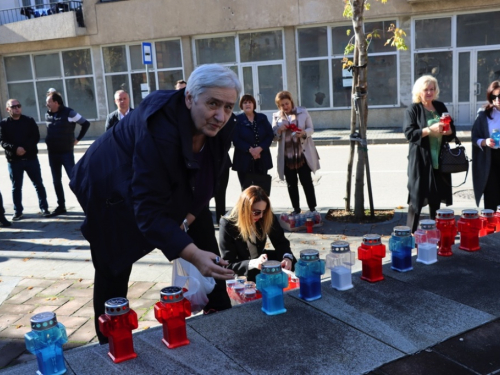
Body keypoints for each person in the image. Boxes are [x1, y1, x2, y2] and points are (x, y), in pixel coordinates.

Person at [69, 64, 240, 343]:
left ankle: (221, 313)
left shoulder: (221, 124)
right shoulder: (158, 129)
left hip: (170, 182)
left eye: (228, 107)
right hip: (109, 186)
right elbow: (148, 209)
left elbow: (211, 175)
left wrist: (190, 217)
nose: (220, 115)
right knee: (114, 262)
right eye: (212, 104)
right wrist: (191, 254)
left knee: (205, 244)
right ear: (188, 98)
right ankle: (108, 344)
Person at [404, 75, 456, 232]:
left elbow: (452, 131)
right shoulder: (413, 109)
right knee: (416, 198)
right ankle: (410, 233)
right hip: (421, 160)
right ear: (419, 91)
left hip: (439, 159)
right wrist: (429, 130)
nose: (429, 92)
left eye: (432, 89)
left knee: (436, 196)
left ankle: (435, 232)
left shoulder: (440, 107)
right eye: (426, 89)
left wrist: (448, 131)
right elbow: (409, 133)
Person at [219, 185, 296, 282]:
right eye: (256, 212)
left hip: (261, 262)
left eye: (264, 211)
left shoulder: (265, 216)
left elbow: (280, 241)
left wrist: (287, 257)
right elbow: (228, 264)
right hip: (243, 271)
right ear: (244, 209)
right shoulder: (227, 223)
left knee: (292, 261)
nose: (261, 216)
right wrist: (253, 263)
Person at [1, 99, 50, 221]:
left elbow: (35, 137)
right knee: (16, 187)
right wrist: (15, 149)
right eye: (13, 107)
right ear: (8, 109)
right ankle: (18, 211)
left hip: (30, 158)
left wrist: (25, 148)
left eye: (18, 105)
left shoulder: (29, 121)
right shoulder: (4, 124)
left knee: (38, 184)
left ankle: (44, 208)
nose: (16, 108)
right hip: (14, 161)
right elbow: (3, 141)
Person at [272, 90, 320, 215]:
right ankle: (296, 209)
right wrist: (279, 130)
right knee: (291, 184)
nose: (285, 107)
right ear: (279, 106)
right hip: (287, 157)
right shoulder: (276, 116)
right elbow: (274, 137)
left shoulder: (302, 112)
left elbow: (311, 129)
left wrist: (303, 133)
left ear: (291, 102)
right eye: (282, 105)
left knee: (306, 182)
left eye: (287, 103)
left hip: (302, 154)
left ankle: (312, 208)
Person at [45, 92, 90, 216]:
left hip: (66, 153)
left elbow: (85, 123)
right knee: (56, 181)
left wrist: (78, 139)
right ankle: (61, 206)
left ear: (56, 102)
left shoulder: (69, 113)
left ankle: (87, 205)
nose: (46, 104)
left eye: (49, 102)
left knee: (74, 180)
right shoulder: (48, 114)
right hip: (53, 154)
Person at [232, 94, 274, 190]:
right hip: (244, 160)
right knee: (247, 190)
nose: (247, 104)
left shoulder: (262, 118)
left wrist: (259, 149)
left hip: (261, 158)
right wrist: (251, 150)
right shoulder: (237, 120)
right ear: (241, 105)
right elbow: (235, 139)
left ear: (254, 104)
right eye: (245, 102)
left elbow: (269, 135)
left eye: (250, 102)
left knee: (261, 189)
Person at [472, 80, 500, 210]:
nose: (497, 99)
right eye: (494, 97)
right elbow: (474, 137)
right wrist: (485, 142)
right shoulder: (484, 114)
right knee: (491, 197)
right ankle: (491, 228)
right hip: (490, 159)